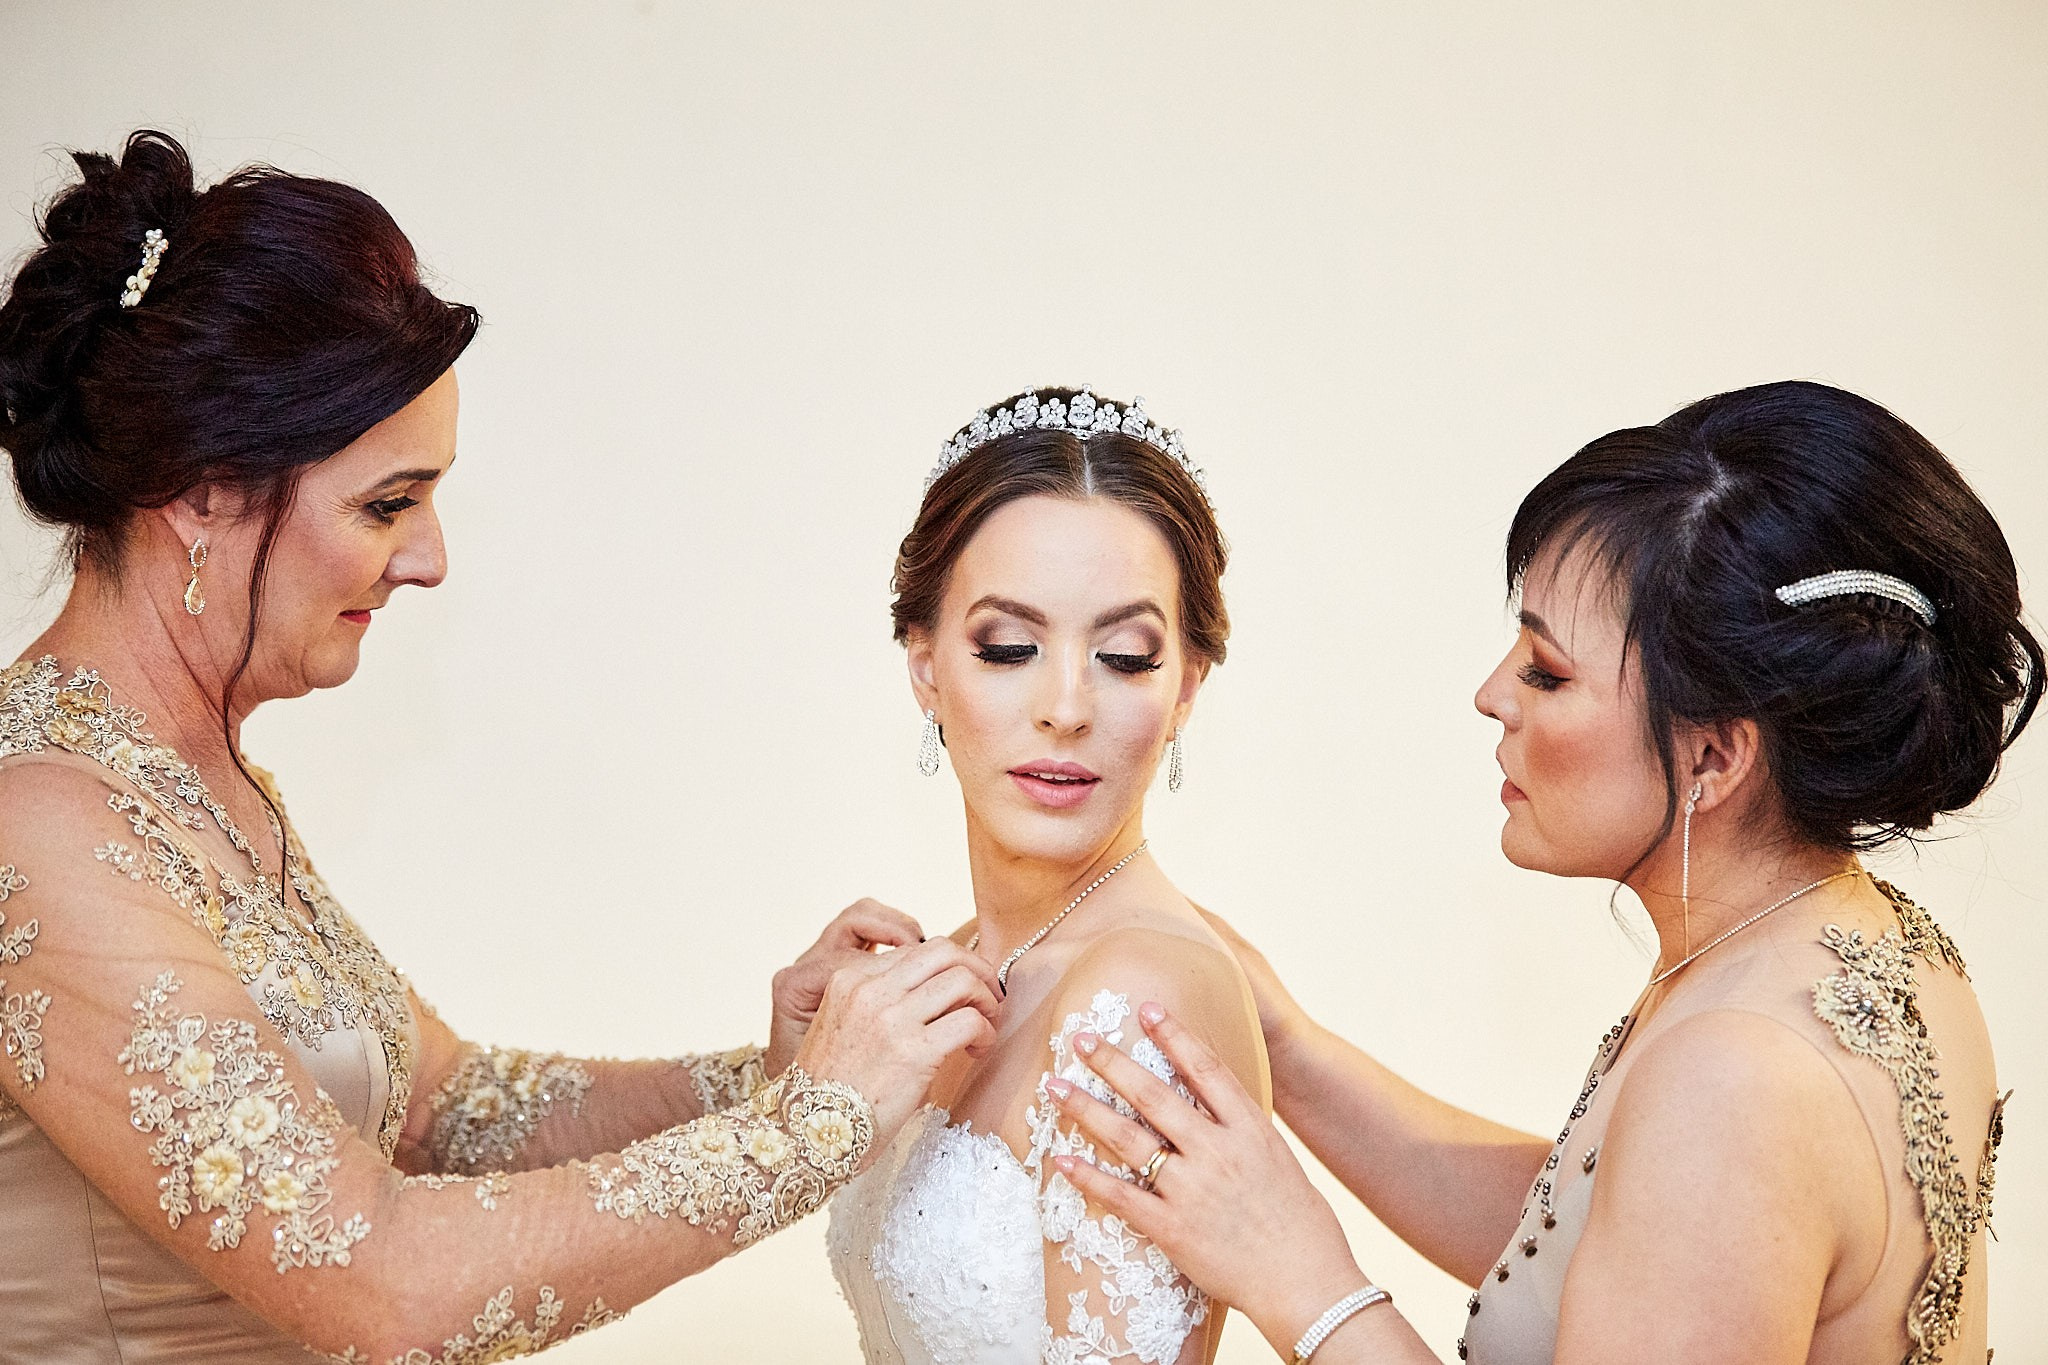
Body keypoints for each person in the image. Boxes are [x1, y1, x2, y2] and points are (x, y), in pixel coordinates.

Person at [0, 129, 1001, 1363]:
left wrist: (769, 1073)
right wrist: (809, 1131)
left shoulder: (195, 777)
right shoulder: (40, 826)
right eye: (386, 504)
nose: (427, 559)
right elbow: (382, 1285)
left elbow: (442, 1109)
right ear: (204, 489)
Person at [1046, 381, 2037, 1364]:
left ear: (1712, 756)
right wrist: (1291, 1055)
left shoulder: (1733, 1079)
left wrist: (1296, 1275)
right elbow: (1616, 1245)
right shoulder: (1857, 939)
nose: (1490, 696)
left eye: (1546, 671)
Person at [824, 387, 1271, 1365]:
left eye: (1122, 656)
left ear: (1184, 686)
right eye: (1009, 647)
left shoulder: (1139, 994)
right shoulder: (932, 974)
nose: (1064, 706)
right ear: (925, 668)